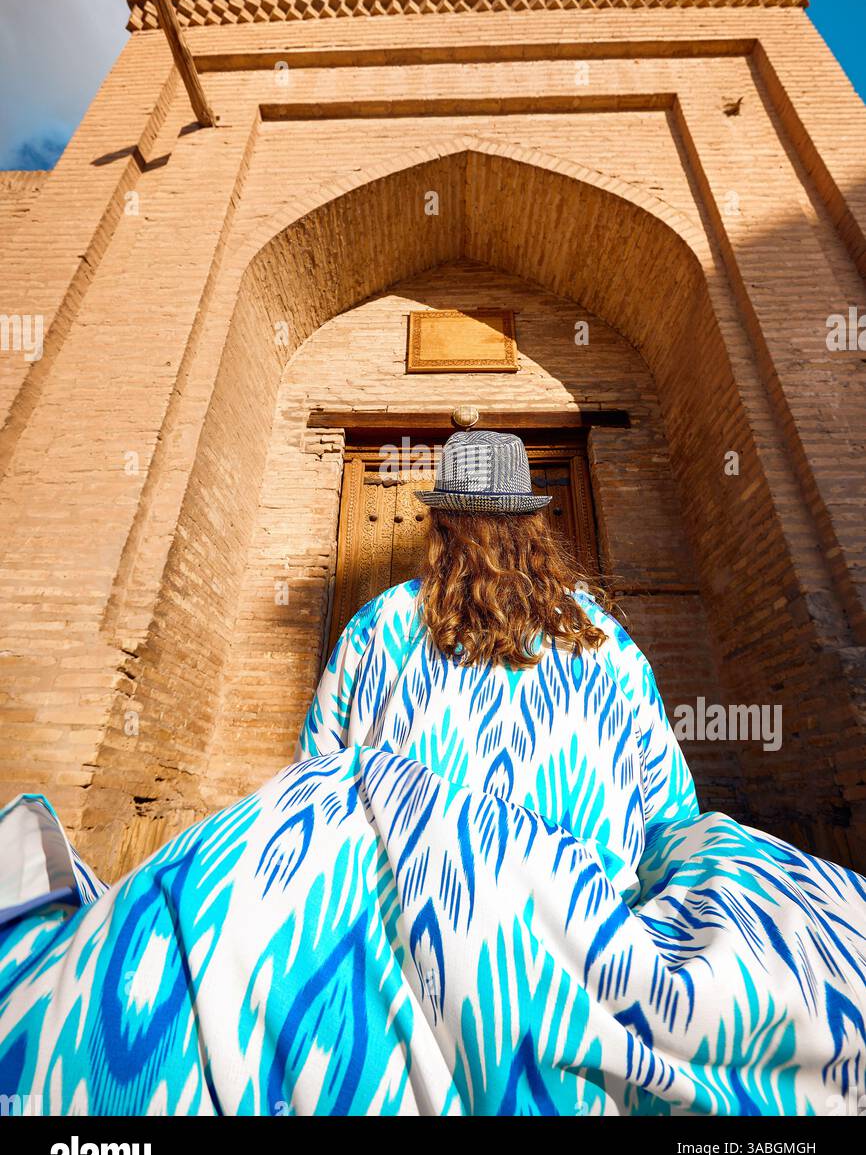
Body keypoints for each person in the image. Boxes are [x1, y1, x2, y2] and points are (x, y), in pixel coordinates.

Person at [1, 429, 865, 1117]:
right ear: (534, 526)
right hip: (565, 960)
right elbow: (666, 825)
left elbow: (316, 794)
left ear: (441, 523)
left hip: (390, 961)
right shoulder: (606, 644)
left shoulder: (379, 627)